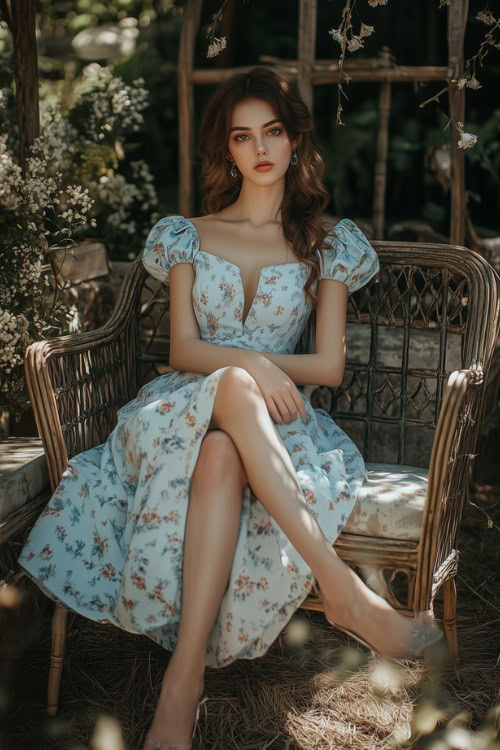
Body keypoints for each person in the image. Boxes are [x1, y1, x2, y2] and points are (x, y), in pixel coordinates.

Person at [18, 67, 441, 750]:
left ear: (296, 139)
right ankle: (343, 592)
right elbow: (184, 348)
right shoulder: (186, 233)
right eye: (243, 136)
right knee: (229, 397)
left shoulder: (326, 244)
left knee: (224, 447)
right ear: (229, 149)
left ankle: (179, 693)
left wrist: (259, 373)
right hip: (174, 413)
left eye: (273, 131)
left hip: (272, 429)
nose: (261, 148)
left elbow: (327, 367)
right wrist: (251, 363)